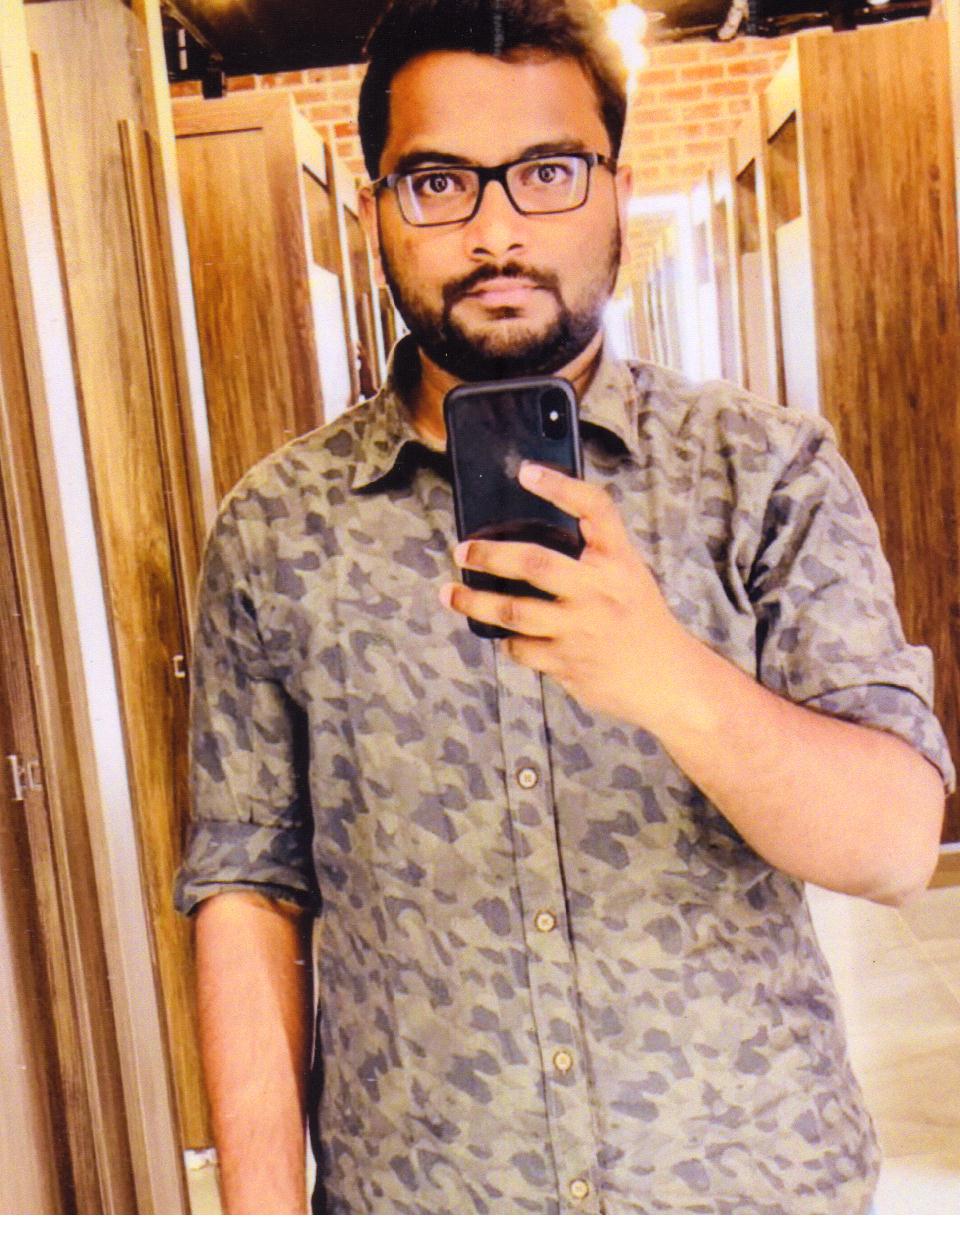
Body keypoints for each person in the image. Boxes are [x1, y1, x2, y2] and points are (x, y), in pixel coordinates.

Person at [175, 0, 954, 1216]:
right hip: (425, 1204)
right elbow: (248, 891)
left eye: (547, 173)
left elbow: (897, 844)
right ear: (377, 209)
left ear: (616, 192)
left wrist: (667, 675)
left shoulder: (766, 471)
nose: (496, 232)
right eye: (438, 181)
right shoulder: (276, 527)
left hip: (750, 1196)